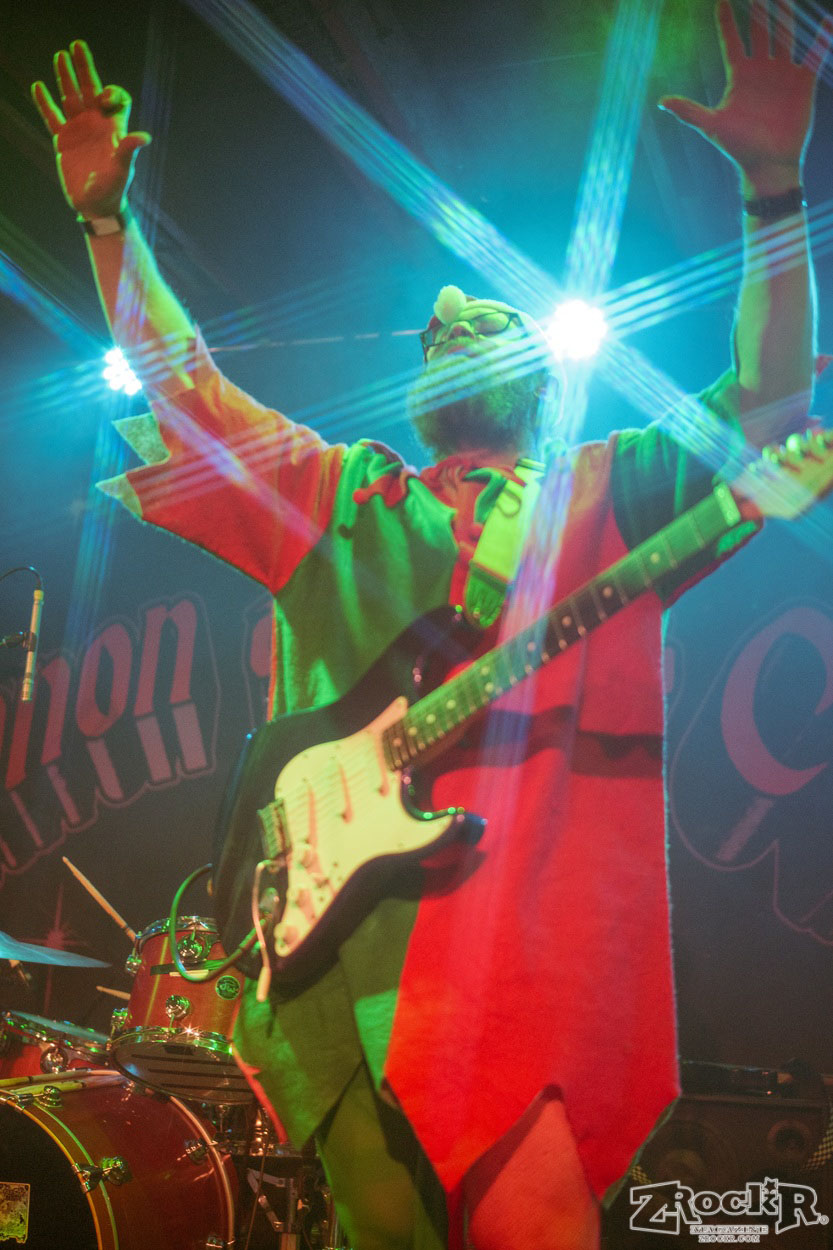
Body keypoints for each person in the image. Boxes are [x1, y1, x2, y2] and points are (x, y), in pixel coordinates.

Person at [32, 4, 830, 1247]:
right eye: (436, 331)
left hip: (526, 950)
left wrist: (772, 192)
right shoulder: (340, 496)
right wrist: (106, 225)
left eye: (485, 323)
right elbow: (187, 390)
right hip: (342, 949)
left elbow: (771, 399)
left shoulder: (605, 490)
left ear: (541, 375)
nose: (453, 323)